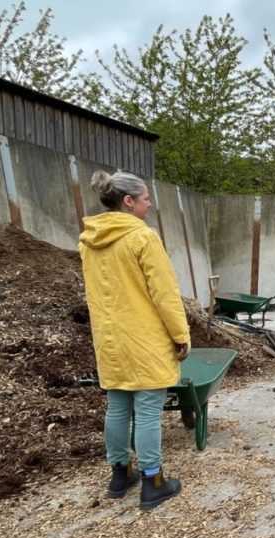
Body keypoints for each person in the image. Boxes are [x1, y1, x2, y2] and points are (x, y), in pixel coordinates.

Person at [79, 170, 190, 509]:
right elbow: (165, 294)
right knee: (146, 411)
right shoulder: (143, 237)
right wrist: (180, 334)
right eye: (145, 198)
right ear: (128, 201)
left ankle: (119, 473)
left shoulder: (88, 241)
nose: (149, 204)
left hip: (109, 339)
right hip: (144, 339)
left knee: (117, 407)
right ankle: (153, 481)